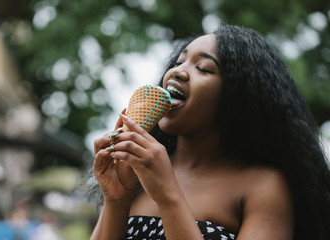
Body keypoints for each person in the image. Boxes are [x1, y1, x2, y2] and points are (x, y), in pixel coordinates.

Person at [89, 25, 330, 240]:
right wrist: (116, 199)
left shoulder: (264, 187)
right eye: (178, 62)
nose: (178, 71)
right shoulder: (135, 176)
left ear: (238, 96)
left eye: (203, 68)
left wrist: (167, 195)